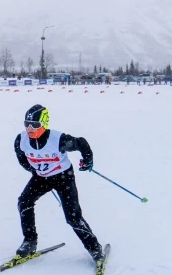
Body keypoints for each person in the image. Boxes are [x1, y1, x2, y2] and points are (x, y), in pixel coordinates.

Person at [13, 104, 105, 265]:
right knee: (24, 201)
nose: (30, 128)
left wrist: (87, 161)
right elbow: (22, 159)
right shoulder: (21, 140)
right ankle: (29, 241)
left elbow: (81, 143)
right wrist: (35, 170)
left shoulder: (58, 139)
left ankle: (94, 247)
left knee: (73, 217)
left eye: (35, 124)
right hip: (41, 178)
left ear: (44, 124)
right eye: (26, 124)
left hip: (63, 178)